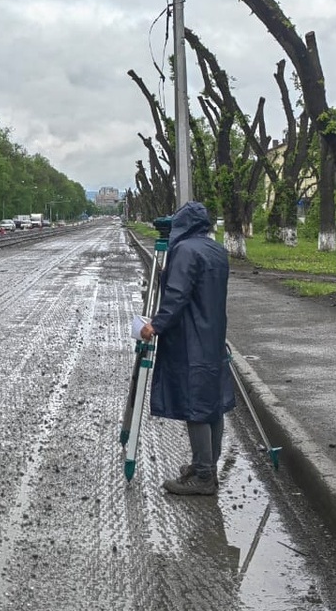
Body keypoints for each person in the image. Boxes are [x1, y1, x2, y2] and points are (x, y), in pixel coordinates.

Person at [139, 201, 234, 496]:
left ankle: (204, 477)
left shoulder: (185, 251)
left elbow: (177, 295)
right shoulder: (216, 249)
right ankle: (205, 464)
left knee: (196, 406)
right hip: (213, 334)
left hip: (190, 337)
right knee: (212, 404)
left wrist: (156, 324)